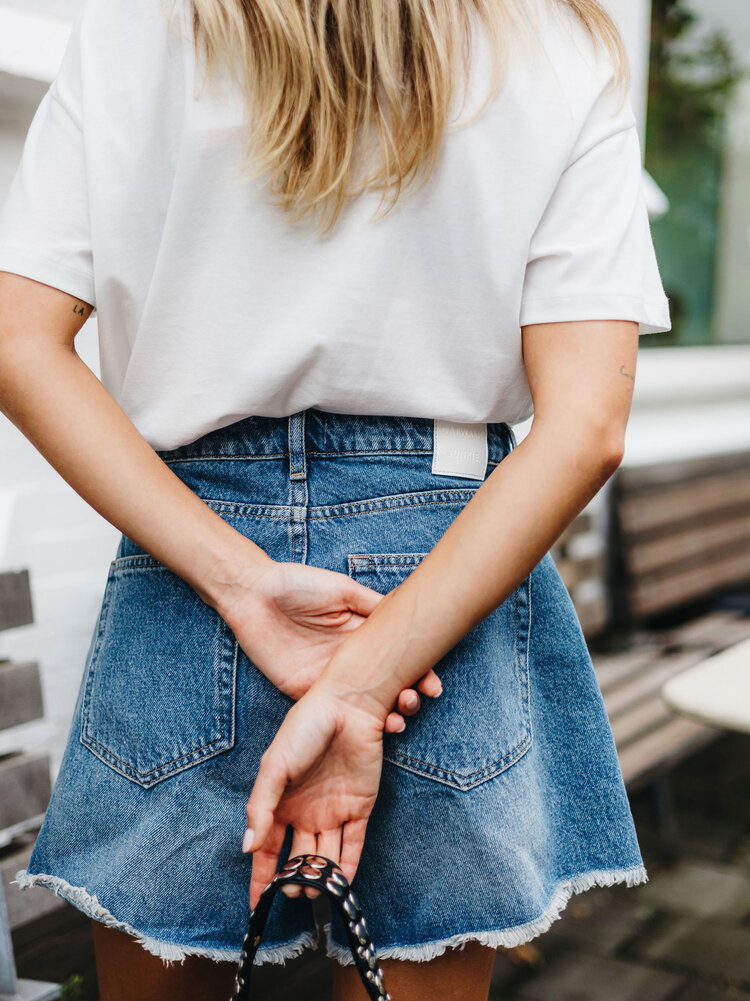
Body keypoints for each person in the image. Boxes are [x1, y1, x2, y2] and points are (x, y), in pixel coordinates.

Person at [0, 0, 671, 997]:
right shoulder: (561, 43)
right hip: (448, 566)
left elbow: (18, 340)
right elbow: (585, 430)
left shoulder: (140, 20)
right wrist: (365, 680)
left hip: (192, 555)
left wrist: (243, 584)